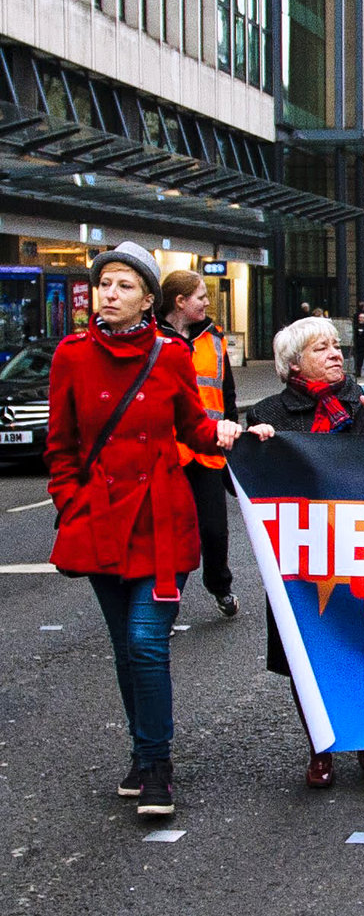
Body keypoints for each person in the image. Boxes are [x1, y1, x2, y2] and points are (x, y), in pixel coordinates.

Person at [44, 241, 256, 818]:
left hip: (161, 518)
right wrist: (72, 501)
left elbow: (192, 423)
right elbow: (61, 446)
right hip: (99, 522)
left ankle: (157, 763)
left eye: (124, 286)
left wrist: (232, 433)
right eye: (104, 284)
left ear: (146, 301)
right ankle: (143, 755)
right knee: (123, 647)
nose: (109, 295)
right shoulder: (71, 355)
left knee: (144, 641)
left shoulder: (169, 355)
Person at [247, 317, 364, 788]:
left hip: (363, 549)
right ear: (294, 362)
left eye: (337, 345)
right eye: (322, 348)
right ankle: (321, 744)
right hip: (301, 559)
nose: (337, 353)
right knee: (307, 652)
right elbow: (236, 487)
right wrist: (254, 452)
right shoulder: (266, 414)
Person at [158, 270, 240, 619]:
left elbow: (228, 393)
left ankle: (220, 585)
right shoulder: (153, 340)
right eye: (201, 297)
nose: (207, 302)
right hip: (168, 453)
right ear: (180, 302)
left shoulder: (214, 338)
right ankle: (168, 601)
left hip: (208, 449)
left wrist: (233, 434)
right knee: (172, 532)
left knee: (213, 529)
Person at [352, 309, 364, 378]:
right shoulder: (356, 326)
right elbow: (355, 336)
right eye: (360, 318)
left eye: (363, 318)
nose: (361, 319)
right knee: (358, 360)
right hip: (359, 346)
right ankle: (358, 372)